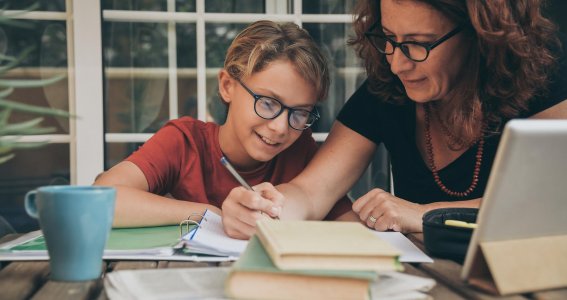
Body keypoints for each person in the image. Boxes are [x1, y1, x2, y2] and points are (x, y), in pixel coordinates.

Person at [221, 0, 567, 237]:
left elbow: (553, 202)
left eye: (419, 43)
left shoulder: (542, 82)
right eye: (389, 39)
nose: (397, 64)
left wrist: (424, 213)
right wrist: (267, 209)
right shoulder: (387, 90)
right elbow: (311, 193)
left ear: (480, 34)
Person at [94, 20, 355, 229]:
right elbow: (100, 200)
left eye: (299, 113)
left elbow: (352, 229)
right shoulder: (184, 143)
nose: (280, 127)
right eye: (267, 103)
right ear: (227, 86)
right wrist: (211, 214)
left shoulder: (301, 152)